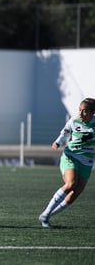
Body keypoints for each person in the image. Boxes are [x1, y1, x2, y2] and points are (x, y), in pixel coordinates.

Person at [38, 97, 95, 228]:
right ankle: (46, 213)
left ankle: (47, 217)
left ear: (93, 113)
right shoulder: (74, 121)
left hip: (87, 162)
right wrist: (58, 142)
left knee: (75, 194)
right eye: (79, 110)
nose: (80, 113)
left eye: (85, 111)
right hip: (71, 156)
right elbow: (64, 133)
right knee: (71, 183)